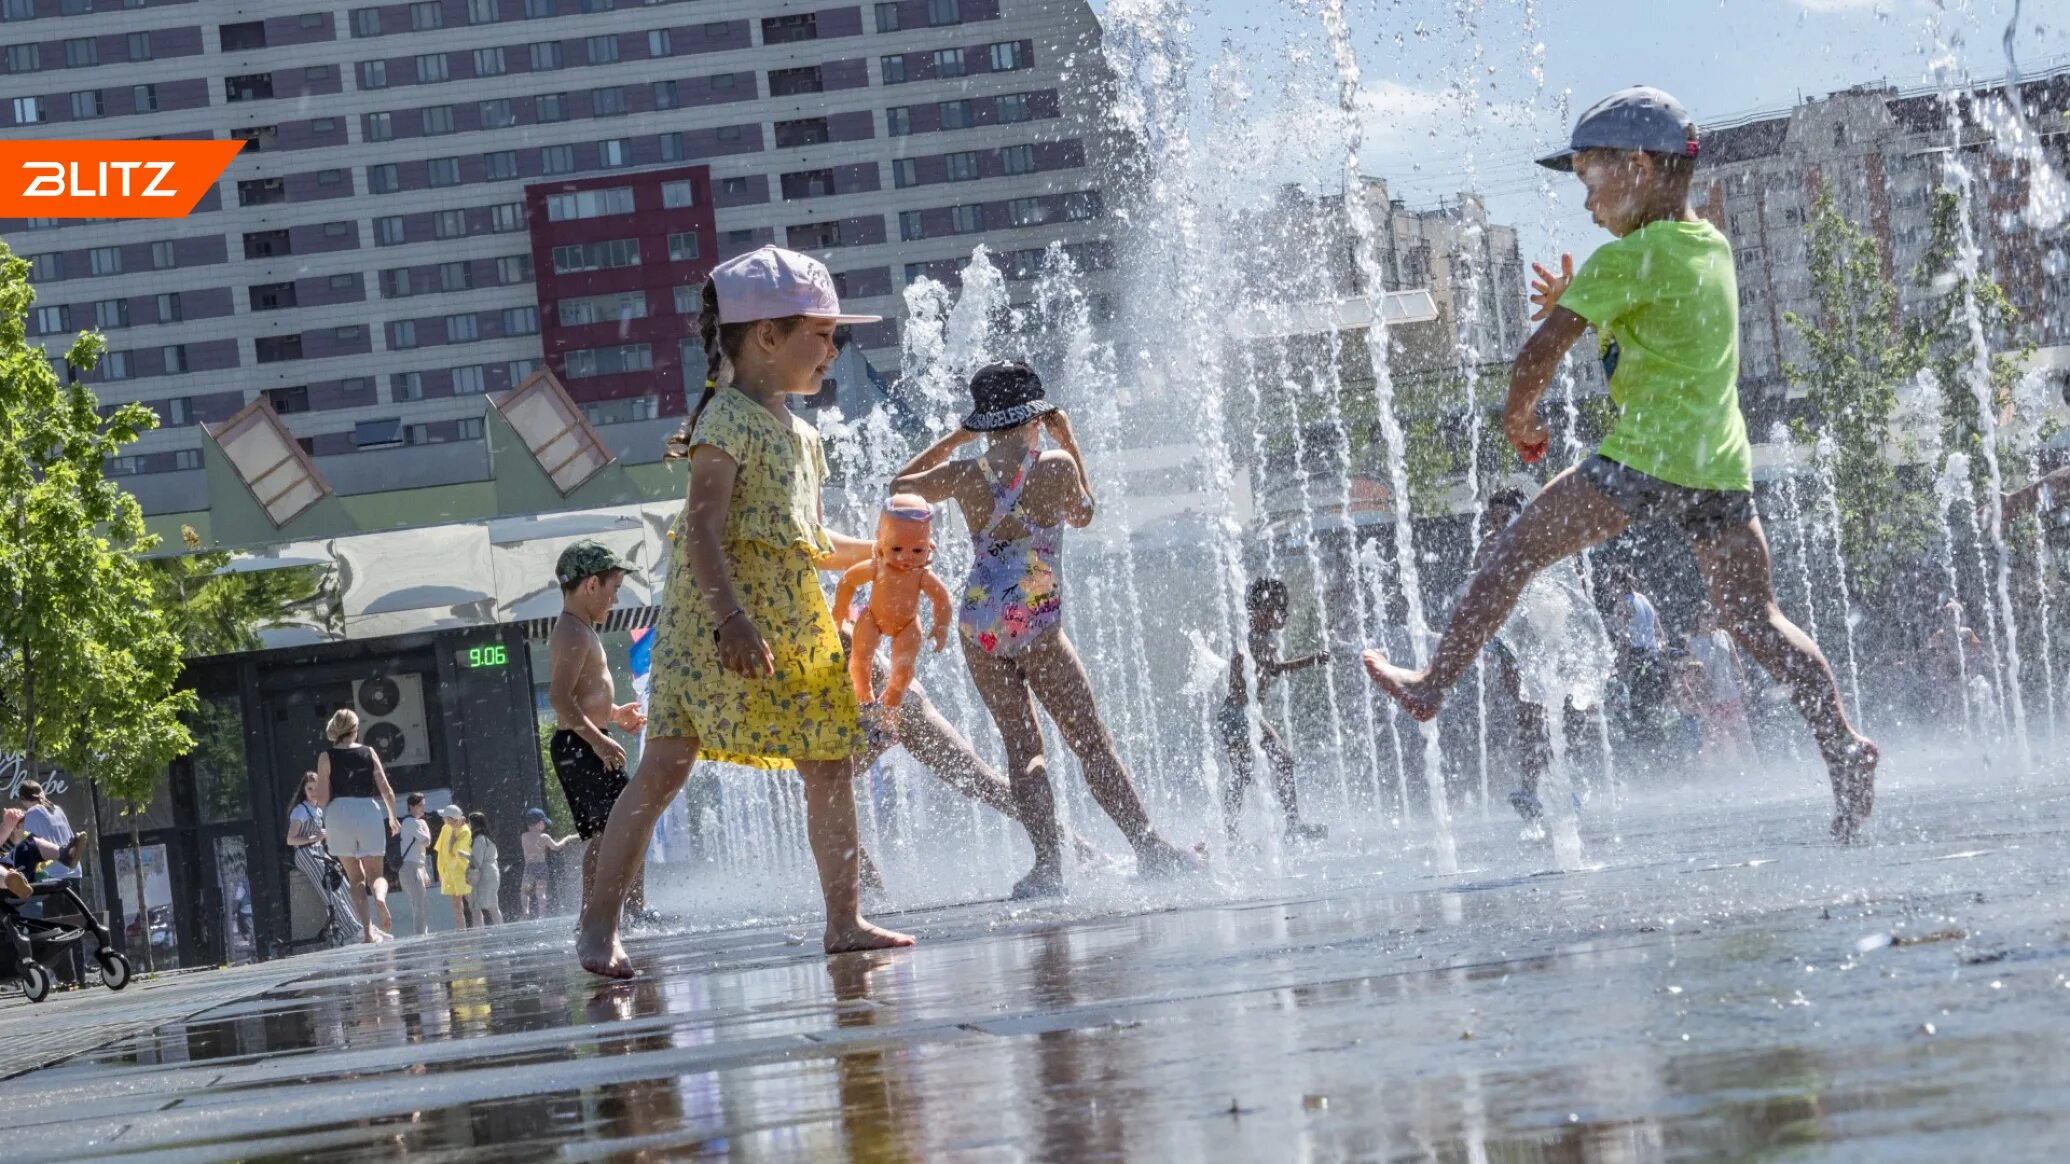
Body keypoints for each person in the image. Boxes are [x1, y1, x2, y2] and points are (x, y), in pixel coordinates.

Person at [1361, 86, 1878, 841]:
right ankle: (1846, 748)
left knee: (1512, 554)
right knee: (1755, 618)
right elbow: (1657, 333)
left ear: (1637, 167)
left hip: (1644, 459)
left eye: (1589, 181)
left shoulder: (1626, 258)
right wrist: (1586, 292)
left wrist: (1520, 419)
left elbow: (1537, 353)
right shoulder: (1709, 246)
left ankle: (1431, 682)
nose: (1586, 205)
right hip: (1721, 467)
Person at [577, 245, 913, 978]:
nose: (833, 350)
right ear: (767, 336)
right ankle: (599, 924)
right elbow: (701, 528)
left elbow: (811, 542)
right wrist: (731, 619)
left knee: (828, 762)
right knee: (665, 766)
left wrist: (886, 551)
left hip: (791, 627)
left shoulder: (802, 434)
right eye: (820, 334)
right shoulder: (726, 421)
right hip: (716, 629)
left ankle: (844, 920)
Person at [893, 360, 1207, 897]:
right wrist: (1072, 439)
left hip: (980, 621)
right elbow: (1085, 512)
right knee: (1091, 743)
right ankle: (1150, 848)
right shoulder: (1056, 465)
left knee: (1022, 747)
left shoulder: (966, 473)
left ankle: (1047, 867)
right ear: (1037, 417)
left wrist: (957, 438)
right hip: (1035, 620)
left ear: (986, 422)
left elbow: (899, 487)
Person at [546, 539, 649, 916]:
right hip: (580, 745)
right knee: (619, 828)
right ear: (591, 585)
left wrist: (614, 714)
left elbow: (581, 696)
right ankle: (606, 915)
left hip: (583, 741)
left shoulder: (581, 629)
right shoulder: (572, 632)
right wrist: (598, 742)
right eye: (614, 589)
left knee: (622, 828)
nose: (615, 600)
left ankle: (625, 912)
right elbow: (559, 698)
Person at [1216, 579, 1330, 844]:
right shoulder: (1254, 639)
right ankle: (1292, 825)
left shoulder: (1260, 637)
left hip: (1238, 714)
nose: (1282, 613)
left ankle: (1232, 833)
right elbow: (1274, 669)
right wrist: (1311, 660)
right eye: (1276, 607)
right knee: (1282, 760)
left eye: (1283, 607)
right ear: (1258, 610)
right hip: (1240, 713)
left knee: (1242, 774)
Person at [312, 709, 399, 939]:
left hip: (339, 813)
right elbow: (386, 791)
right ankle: (380, 897)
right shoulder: (368, 752)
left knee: (355, 878)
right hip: (367, 810)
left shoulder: (325, 757)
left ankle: (368, 931)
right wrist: (392, 817)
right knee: (376, 874)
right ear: (356, 728)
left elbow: (321, 798)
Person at [285, 772, 370, 946]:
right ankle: (352, 930)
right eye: (310, 789)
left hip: (317, 850)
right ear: (304, 790)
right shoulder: (301, 810)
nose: (313, 792)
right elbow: (290, 839)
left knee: (344, 887)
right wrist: (314, 838)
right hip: (305, 852)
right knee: (330, 891)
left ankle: (364, 926)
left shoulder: (317, 809)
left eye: (316, 789)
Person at [1685, 604, 1756, 763]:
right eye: (1704, 616)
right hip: (1710, 698)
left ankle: (1754, 769)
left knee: (1743, 735)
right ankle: (1724, 775)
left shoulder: (1724, 635)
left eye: (1711, 615)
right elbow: (1690, 673)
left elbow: (1736, 661)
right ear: (1697, 619)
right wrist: (1697, 694)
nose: (1708, 619)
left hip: (1731, 693)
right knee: (1717, 739)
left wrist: (1744, 684)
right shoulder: (1693, 642)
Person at [520, 807, 578, 920]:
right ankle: (542, 915)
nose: (544, 825)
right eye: (543, 823)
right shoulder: (544, 837)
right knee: (541, 893)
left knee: (525, 891)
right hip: (542, 866)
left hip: (529, 867)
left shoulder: (524, 837)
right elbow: (556, 847)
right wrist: (567, 838)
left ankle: (526, 912)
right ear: (537, 823)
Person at [396, 792, 433, 936]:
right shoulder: (411, 822)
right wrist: (424, 826)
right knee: (420, 903)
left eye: (423, 805)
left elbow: (422, 847)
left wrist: (424, 872)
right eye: (420, 806)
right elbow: (426, 841)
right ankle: (420, 935)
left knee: (419, 903)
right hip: (411, 867)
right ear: (411, 806)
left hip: (415, 866)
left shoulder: (413, 822)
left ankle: (421, 934)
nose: (423, 809)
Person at [434, 803, 473, 930]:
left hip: (463, 872)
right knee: (456, 906)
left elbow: (455, 850)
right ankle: (461, 932)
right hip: (450, 873)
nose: (442, 819)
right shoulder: (445, 828)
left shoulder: (465, 830)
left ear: (451, 819)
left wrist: (454, 831)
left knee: (473, 904)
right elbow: (441, 851)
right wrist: (441, 871)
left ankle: (480, 930)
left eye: (445, 817)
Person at [466, 811, 503, 926]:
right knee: (493, 905)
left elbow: (476, 861)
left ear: (473, 823)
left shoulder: (479, 839)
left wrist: (464, 856)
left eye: (469, 822)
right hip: (493, 871)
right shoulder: (488, 838)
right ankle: (500, 929)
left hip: (486, 873)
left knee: (478, 905)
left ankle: (481, 933)